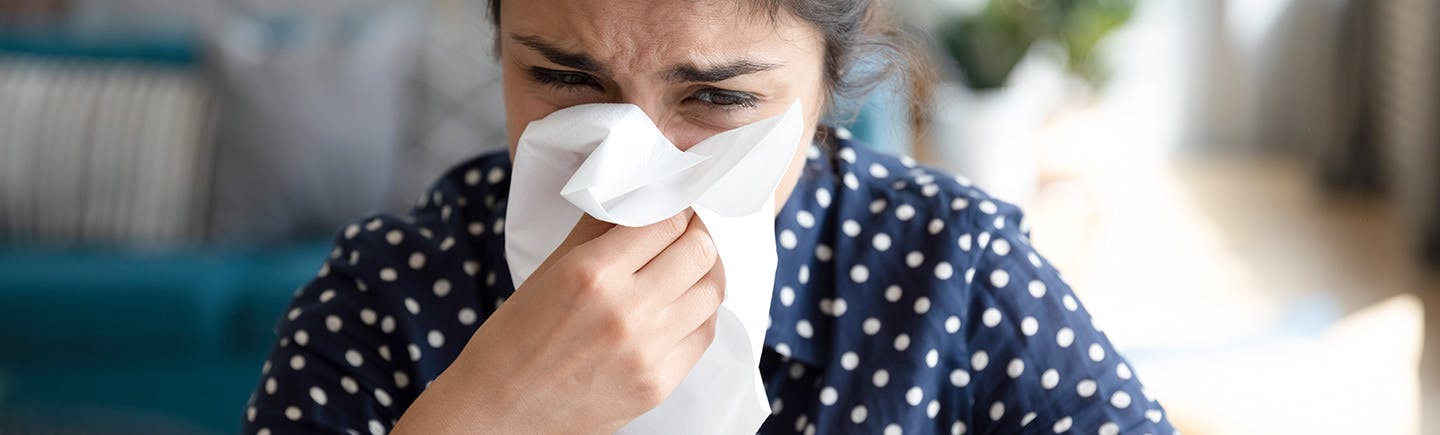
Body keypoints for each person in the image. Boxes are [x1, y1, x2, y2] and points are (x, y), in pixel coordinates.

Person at [243, 0, 1176, 433]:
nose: (621, 168)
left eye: (718, 100)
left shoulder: (950, 273)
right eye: (565, 81)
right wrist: (486, 419)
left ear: (825, 89)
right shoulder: (385, 299)